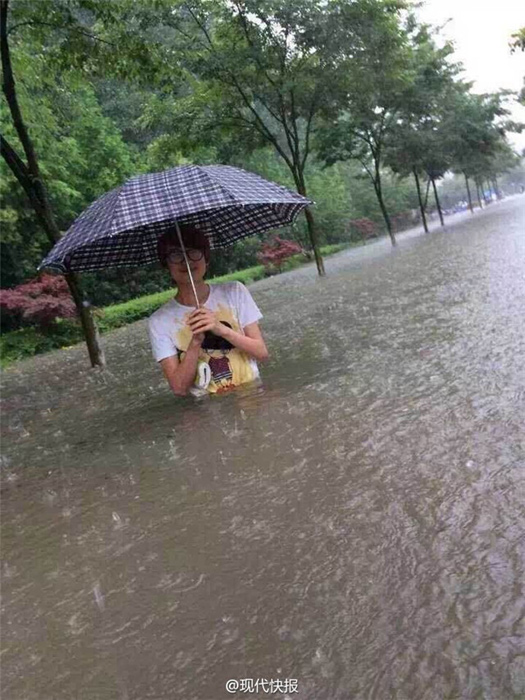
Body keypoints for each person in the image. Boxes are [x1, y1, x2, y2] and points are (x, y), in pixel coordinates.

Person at [148, 224, 269, 396]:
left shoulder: (234, 291)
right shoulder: (159, 321)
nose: (187, 261)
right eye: (176, 255)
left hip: (253, 393)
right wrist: (195, 341)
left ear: (206, 258)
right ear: (165, 264)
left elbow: (261, 353)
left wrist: (221, 329)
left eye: (194, 252)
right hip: (208, 410)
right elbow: (179, 388)